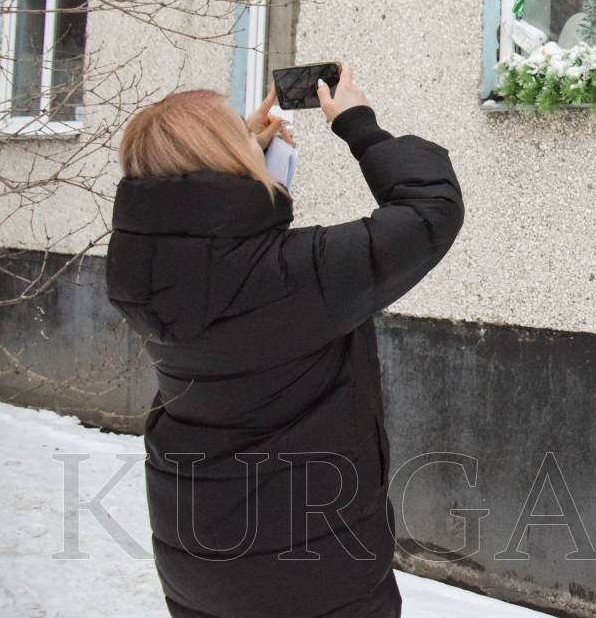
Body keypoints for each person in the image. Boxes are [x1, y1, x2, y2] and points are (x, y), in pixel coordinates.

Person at [106, 66, 464, 618]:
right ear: (224, 159)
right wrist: (358, 124)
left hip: (197, 555)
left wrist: (244, 165)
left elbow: (206, 241)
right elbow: (430, 211)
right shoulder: (298, 276)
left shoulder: (138, 271)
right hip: (310, 568)